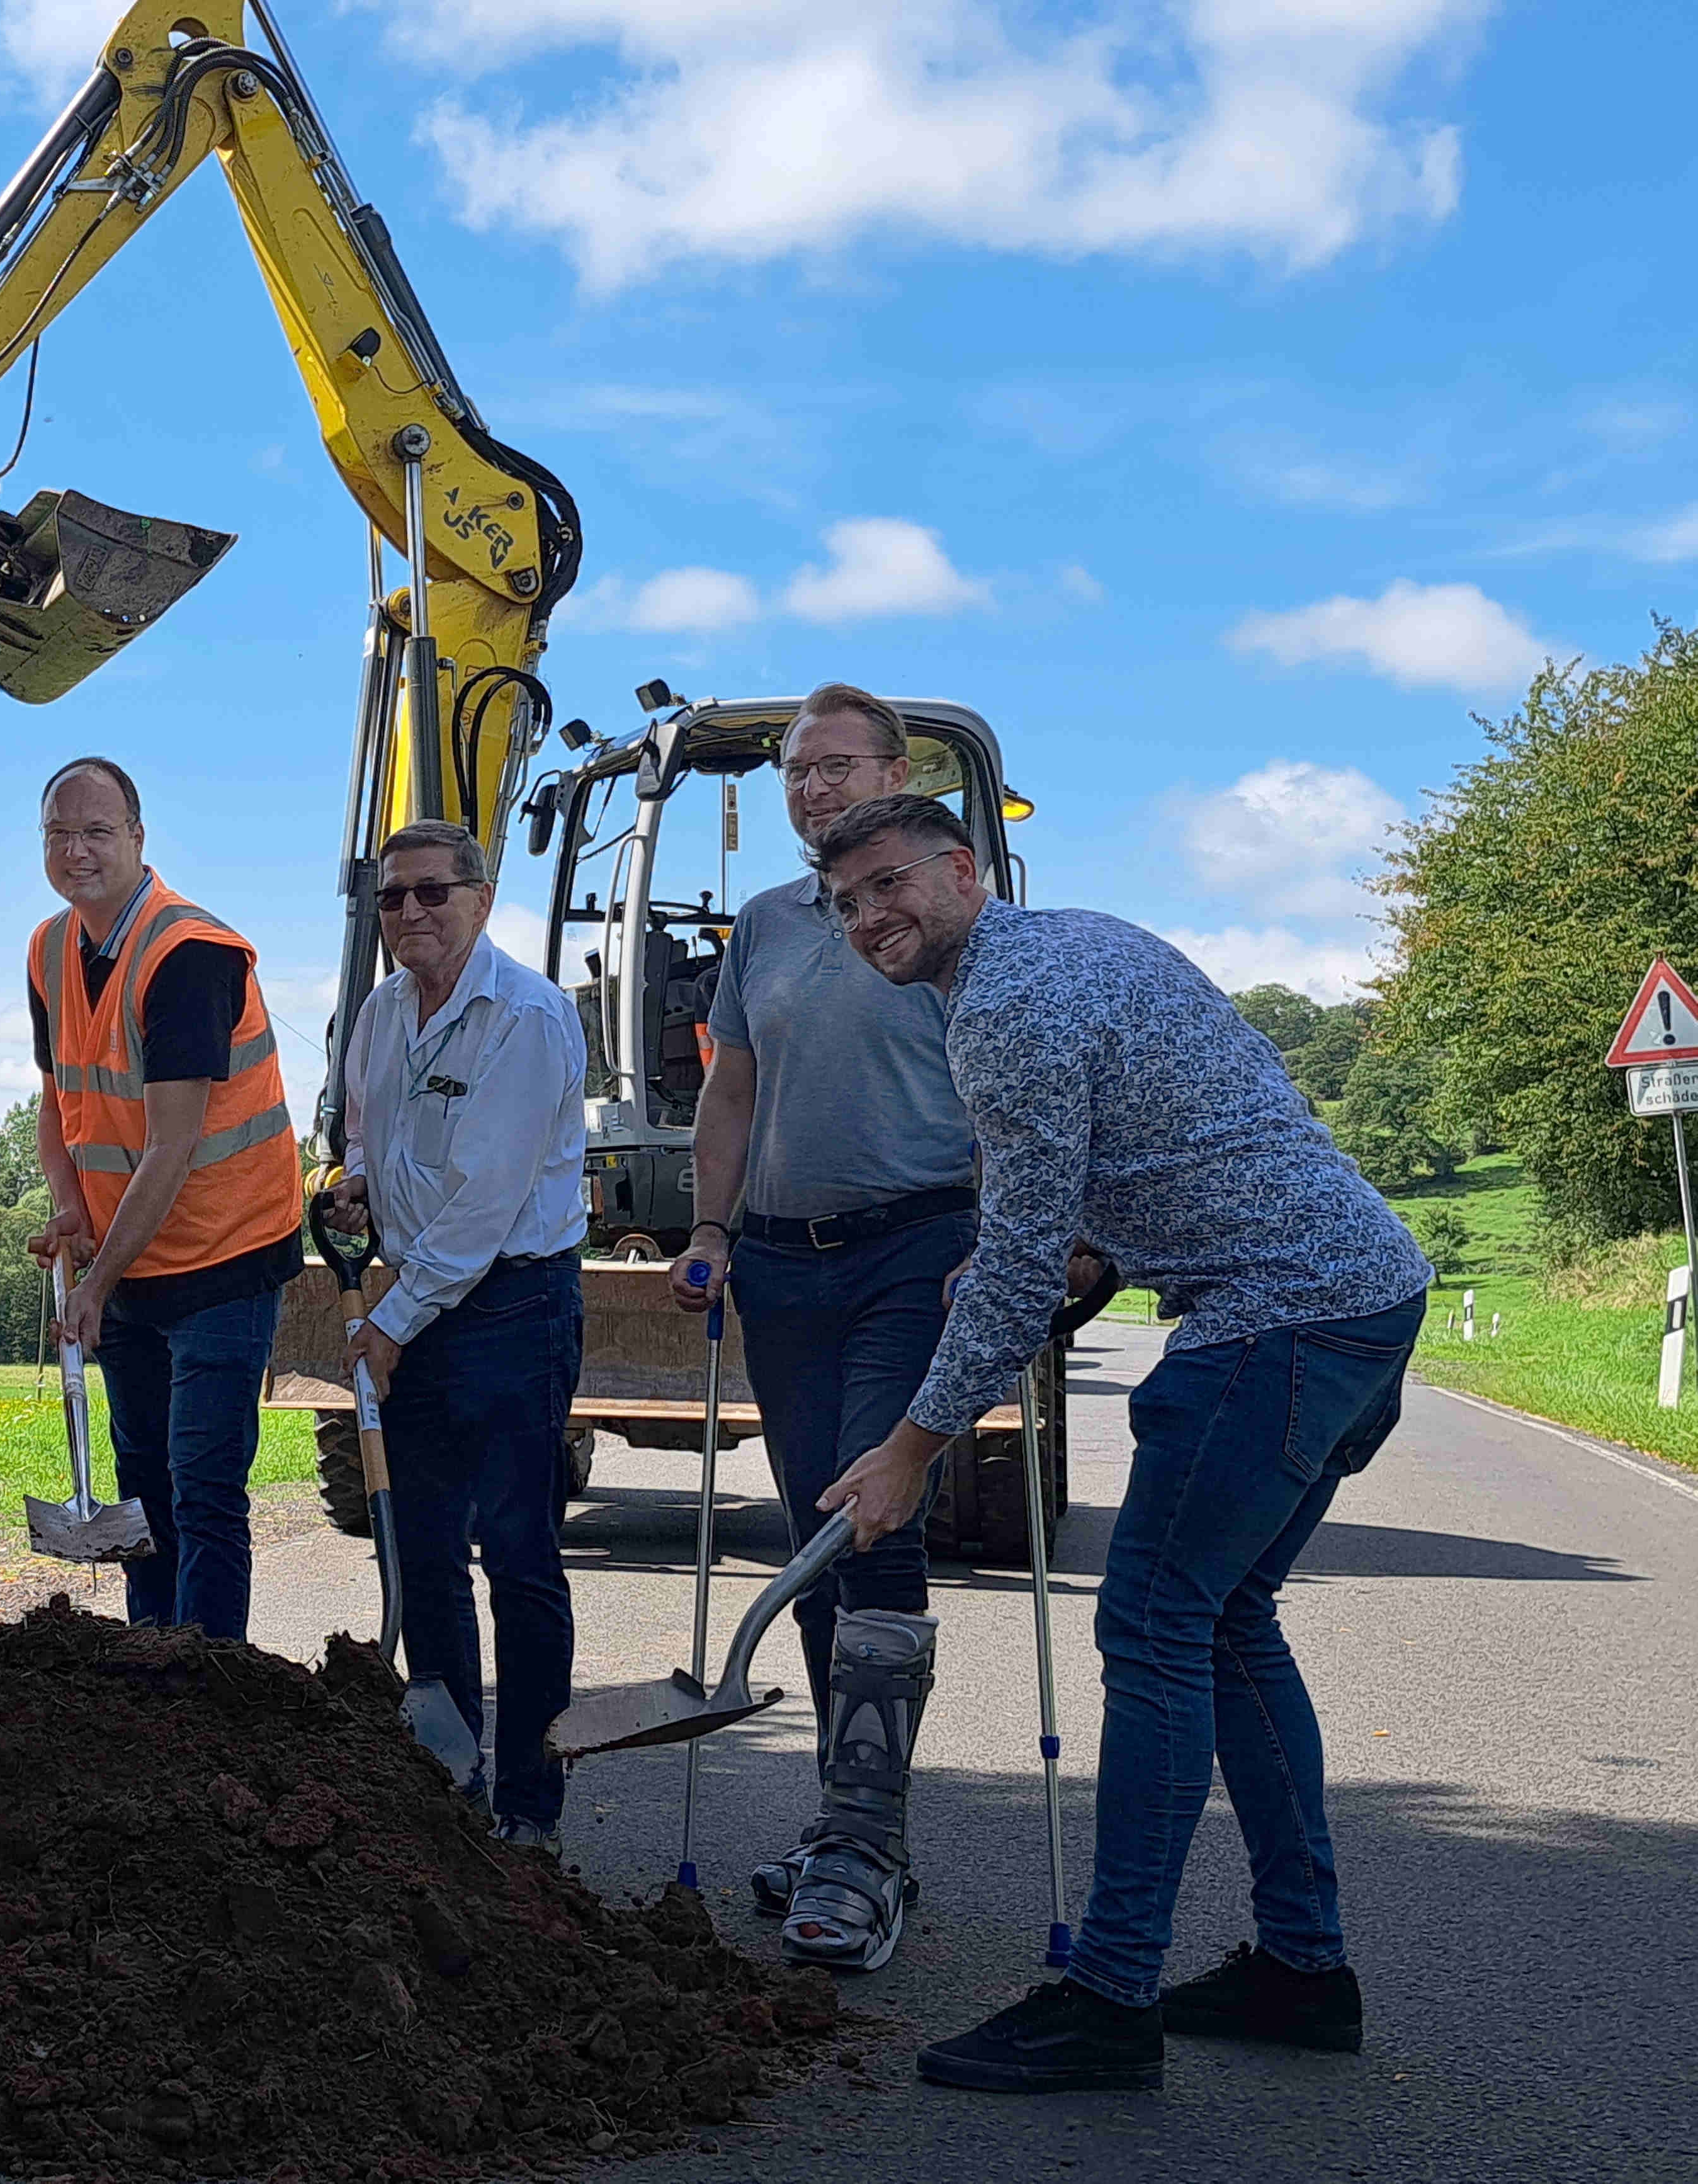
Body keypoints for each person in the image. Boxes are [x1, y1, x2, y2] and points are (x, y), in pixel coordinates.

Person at [808, 793, 1434, 2093]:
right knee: (1227, 1620)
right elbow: (1188, 1121)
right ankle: (1301, 1970)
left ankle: (1109, 1996)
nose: (869, 917)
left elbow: (1018, 1267)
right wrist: (1080, 1242)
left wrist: (911, 1448)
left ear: (961, 869)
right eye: (846, 902)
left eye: (888, 883)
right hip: (1366, 1292)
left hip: (1277, 1316)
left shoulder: (1002, 1008)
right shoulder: (1081, 938)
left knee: (1152, 1626)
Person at [664, 682, 976, 1971]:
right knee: (811, 1542)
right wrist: (708, 1227)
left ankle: (862, 1848)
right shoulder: (764, 925)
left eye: (836, 766)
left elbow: (1004, 1084)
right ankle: (846, 1825)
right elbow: (731, 1088)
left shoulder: (936, 911)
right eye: (795, 771)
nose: (811, 788)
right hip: (783, 1263)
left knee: (866, 1515)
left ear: (899, 775)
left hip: (914, 1246)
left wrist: (1007, 1234)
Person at [324, 820, 587, 1852]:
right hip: (419, 1302)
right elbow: (366, 1132)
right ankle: (447, 1778)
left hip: (514, 1306)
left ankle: (529, 1800)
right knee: (421, 1552)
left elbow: (485, 1202)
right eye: (392, 897)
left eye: (433, 892)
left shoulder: (527, 1017)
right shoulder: (381, 1013)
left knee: (520, 1556)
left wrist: (389, 1323)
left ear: (479, 899)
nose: (410, 913)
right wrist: (355, 1186)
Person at [25, 755, 303, 1641]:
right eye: (59, 834)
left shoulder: (188, 954)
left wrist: (97, 1282)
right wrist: (72, 1205)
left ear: (139, 838)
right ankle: (149, 1667)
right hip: (130, 1257)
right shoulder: (48, 950)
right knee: (142, 1481)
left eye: (96, 832)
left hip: (225, 1254)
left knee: (203, 1487)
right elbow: (57, 1100)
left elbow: (172, 1144)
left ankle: (209, 1681)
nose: (77, 850)